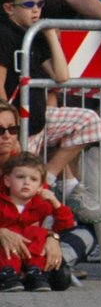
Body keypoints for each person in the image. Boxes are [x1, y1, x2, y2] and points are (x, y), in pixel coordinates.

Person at [0, 0, 101, 203]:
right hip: (16, 127)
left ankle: (46, 177)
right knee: (15, 198)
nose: (36, 9)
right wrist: (9, 128)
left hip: (38, 121)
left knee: (90, 121)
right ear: (9, 8)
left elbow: (61, 76)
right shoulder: (5, 35)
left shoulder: (35, 34)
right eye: (28, 4)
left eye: (40, 3)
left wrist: (50, 37)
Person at [0, 100, 63, 276]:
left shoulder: (26, 165)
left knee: (84, 233)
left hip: (28, 238)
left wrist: (52, 237)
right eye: (0, 130)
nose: (7, 136)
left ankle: (35, 267)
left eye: (12, 130)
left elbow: (47, 212)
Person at [0, 150, 74, 291]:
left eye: (33, 179)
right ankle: (8, 274)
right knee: (11, 232)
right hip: (7, 253)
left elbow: (65, 224)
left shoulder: (42, 205)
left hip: (32, 254)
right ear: (7, 181)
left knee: (38, 232)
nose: (26, 182)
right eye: (20, 177)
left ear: (41, 186)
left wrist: (55, 203)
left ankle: (35, 272)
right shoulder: (2, 203)